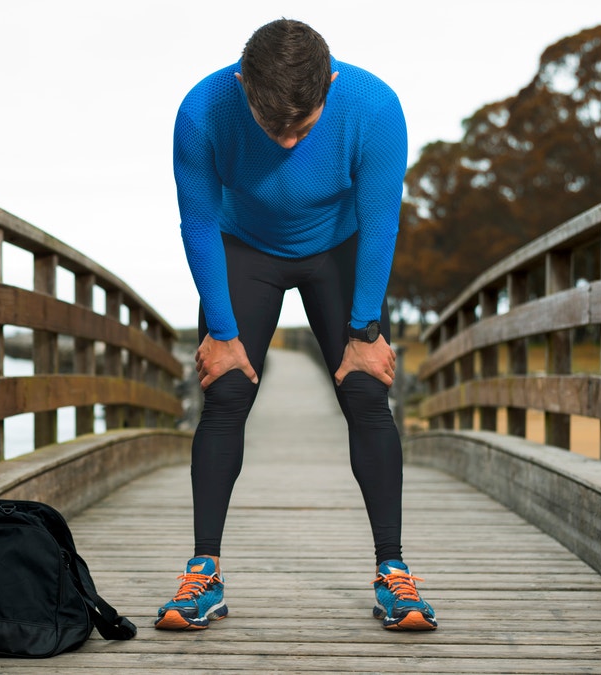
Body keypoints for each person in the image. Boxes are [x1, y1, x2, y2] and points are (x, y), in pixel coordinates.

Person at [154, 18, 437, 632]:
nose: (285, 142)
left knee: (367, 393)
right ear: (242, 85)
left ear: (329, 86)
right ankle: (203, 574)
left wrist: (365, 333)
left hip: (337, 248)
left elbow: (380, 221)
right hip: (243, 245)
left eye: (301, 127)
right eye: (271, 124)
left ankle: (394, 574)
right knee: (224, 392)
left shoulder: (374, 107)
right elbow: (198, 222)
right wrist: (222, 335)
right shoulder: (203, 111)